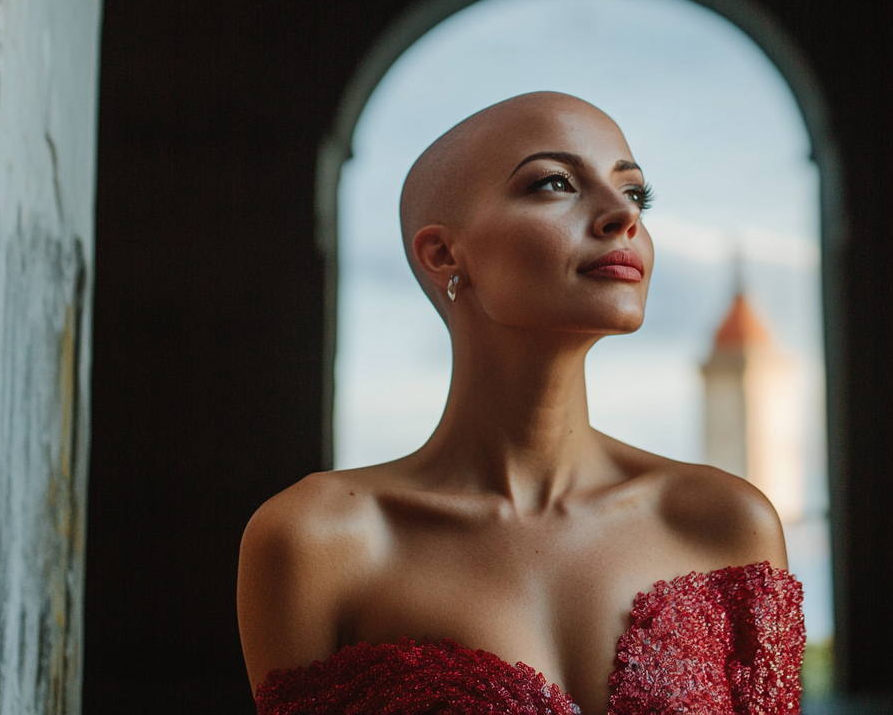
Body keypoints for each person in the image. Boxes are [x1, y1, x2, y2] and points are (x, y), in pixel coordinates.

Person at [237, 92, 804, 715]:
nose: (622, 216)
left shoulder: (725, 522)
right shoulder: (317, 541)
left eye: (636, 194)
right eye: (555, 183)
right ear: (444, 254)